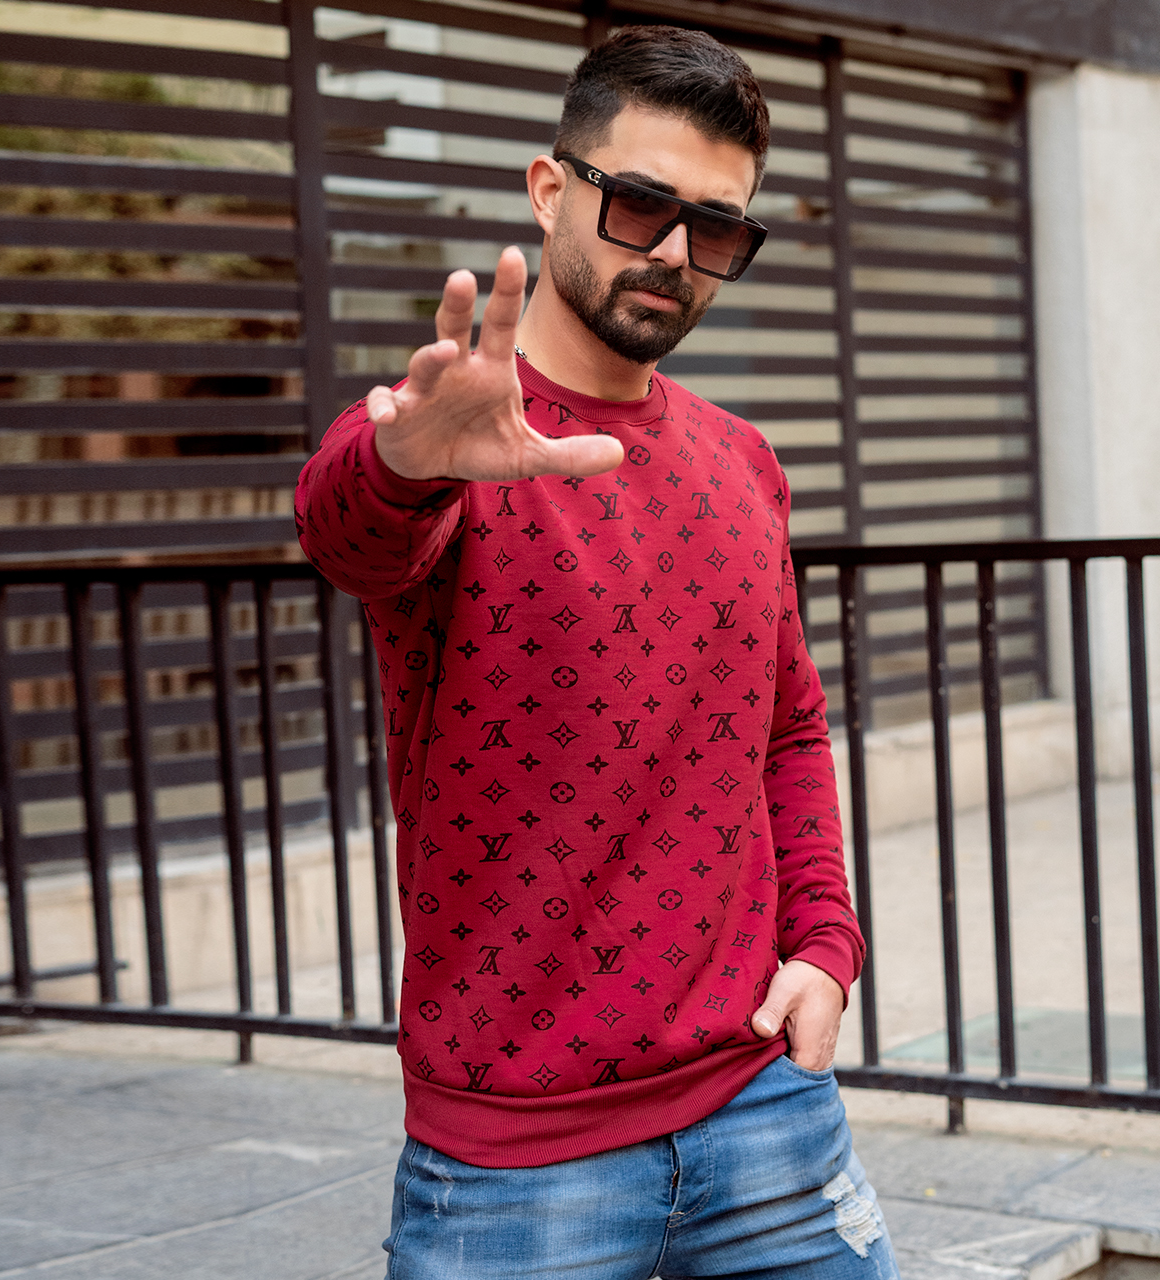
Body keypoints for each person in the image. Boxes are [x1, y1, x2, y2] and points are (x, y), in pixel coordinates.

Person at [296, 25, 898, 1280]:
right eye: (638, 203)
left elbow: (785, 728)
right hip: (519, 1169)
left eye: (714, 227)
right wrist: (403, 460)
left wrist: (824, 946)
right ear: (548, 187)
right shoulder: (443, 437)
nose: (672, 251)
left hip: (766, 1108)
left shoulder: (743, 460)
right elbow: (347, 529)